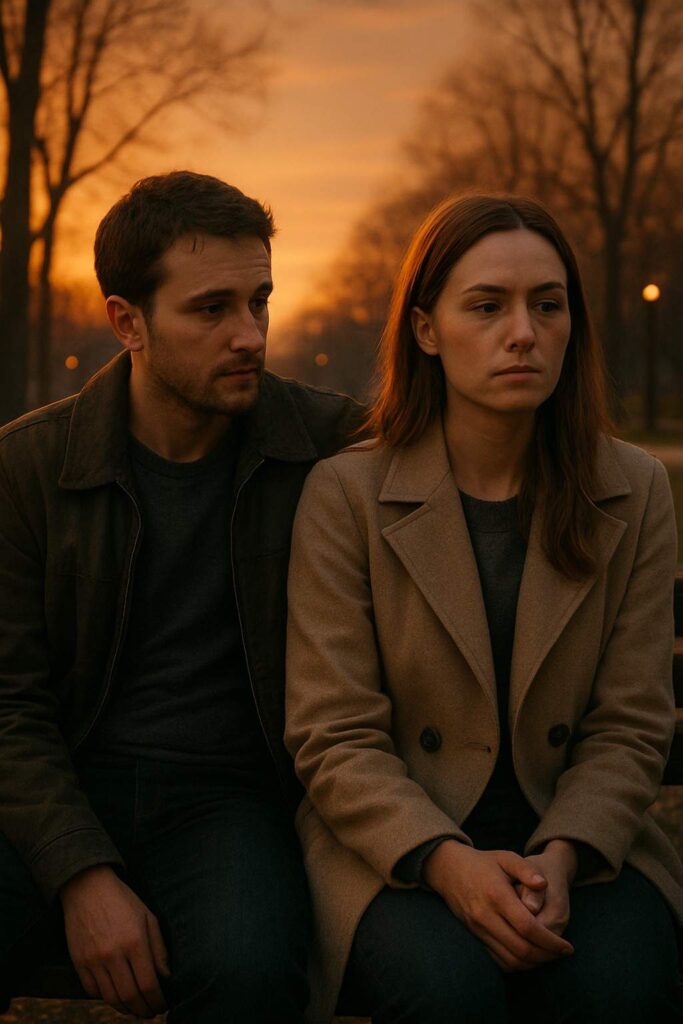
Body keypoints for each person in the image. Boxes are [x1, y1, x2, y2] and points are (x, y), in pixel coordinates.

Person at [285, 194, 683, 1024]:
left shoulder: (633, 489)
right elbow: (334, 732)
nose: (523, 333)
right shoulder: (347, 496)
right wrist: (447, 863)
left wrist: (563, 857)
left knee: (618, 990)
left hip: (579, 844)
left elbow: (631, 721)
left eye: (547, 304)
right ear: (425, 329)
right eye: (487, 306)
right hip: (400, 847)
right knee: (447, 992)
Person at [0, 170, 362, 1023]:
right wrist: (82, 875)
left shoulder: (323, 445)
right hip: (63, 782)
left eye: (259, 301)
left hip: (225, 800)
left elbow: (471, 431)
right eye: (211, 309)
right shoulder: (28, 469)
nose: (250, 335)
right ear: (127, 321)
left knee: (249, 973)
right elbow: (8, 706)